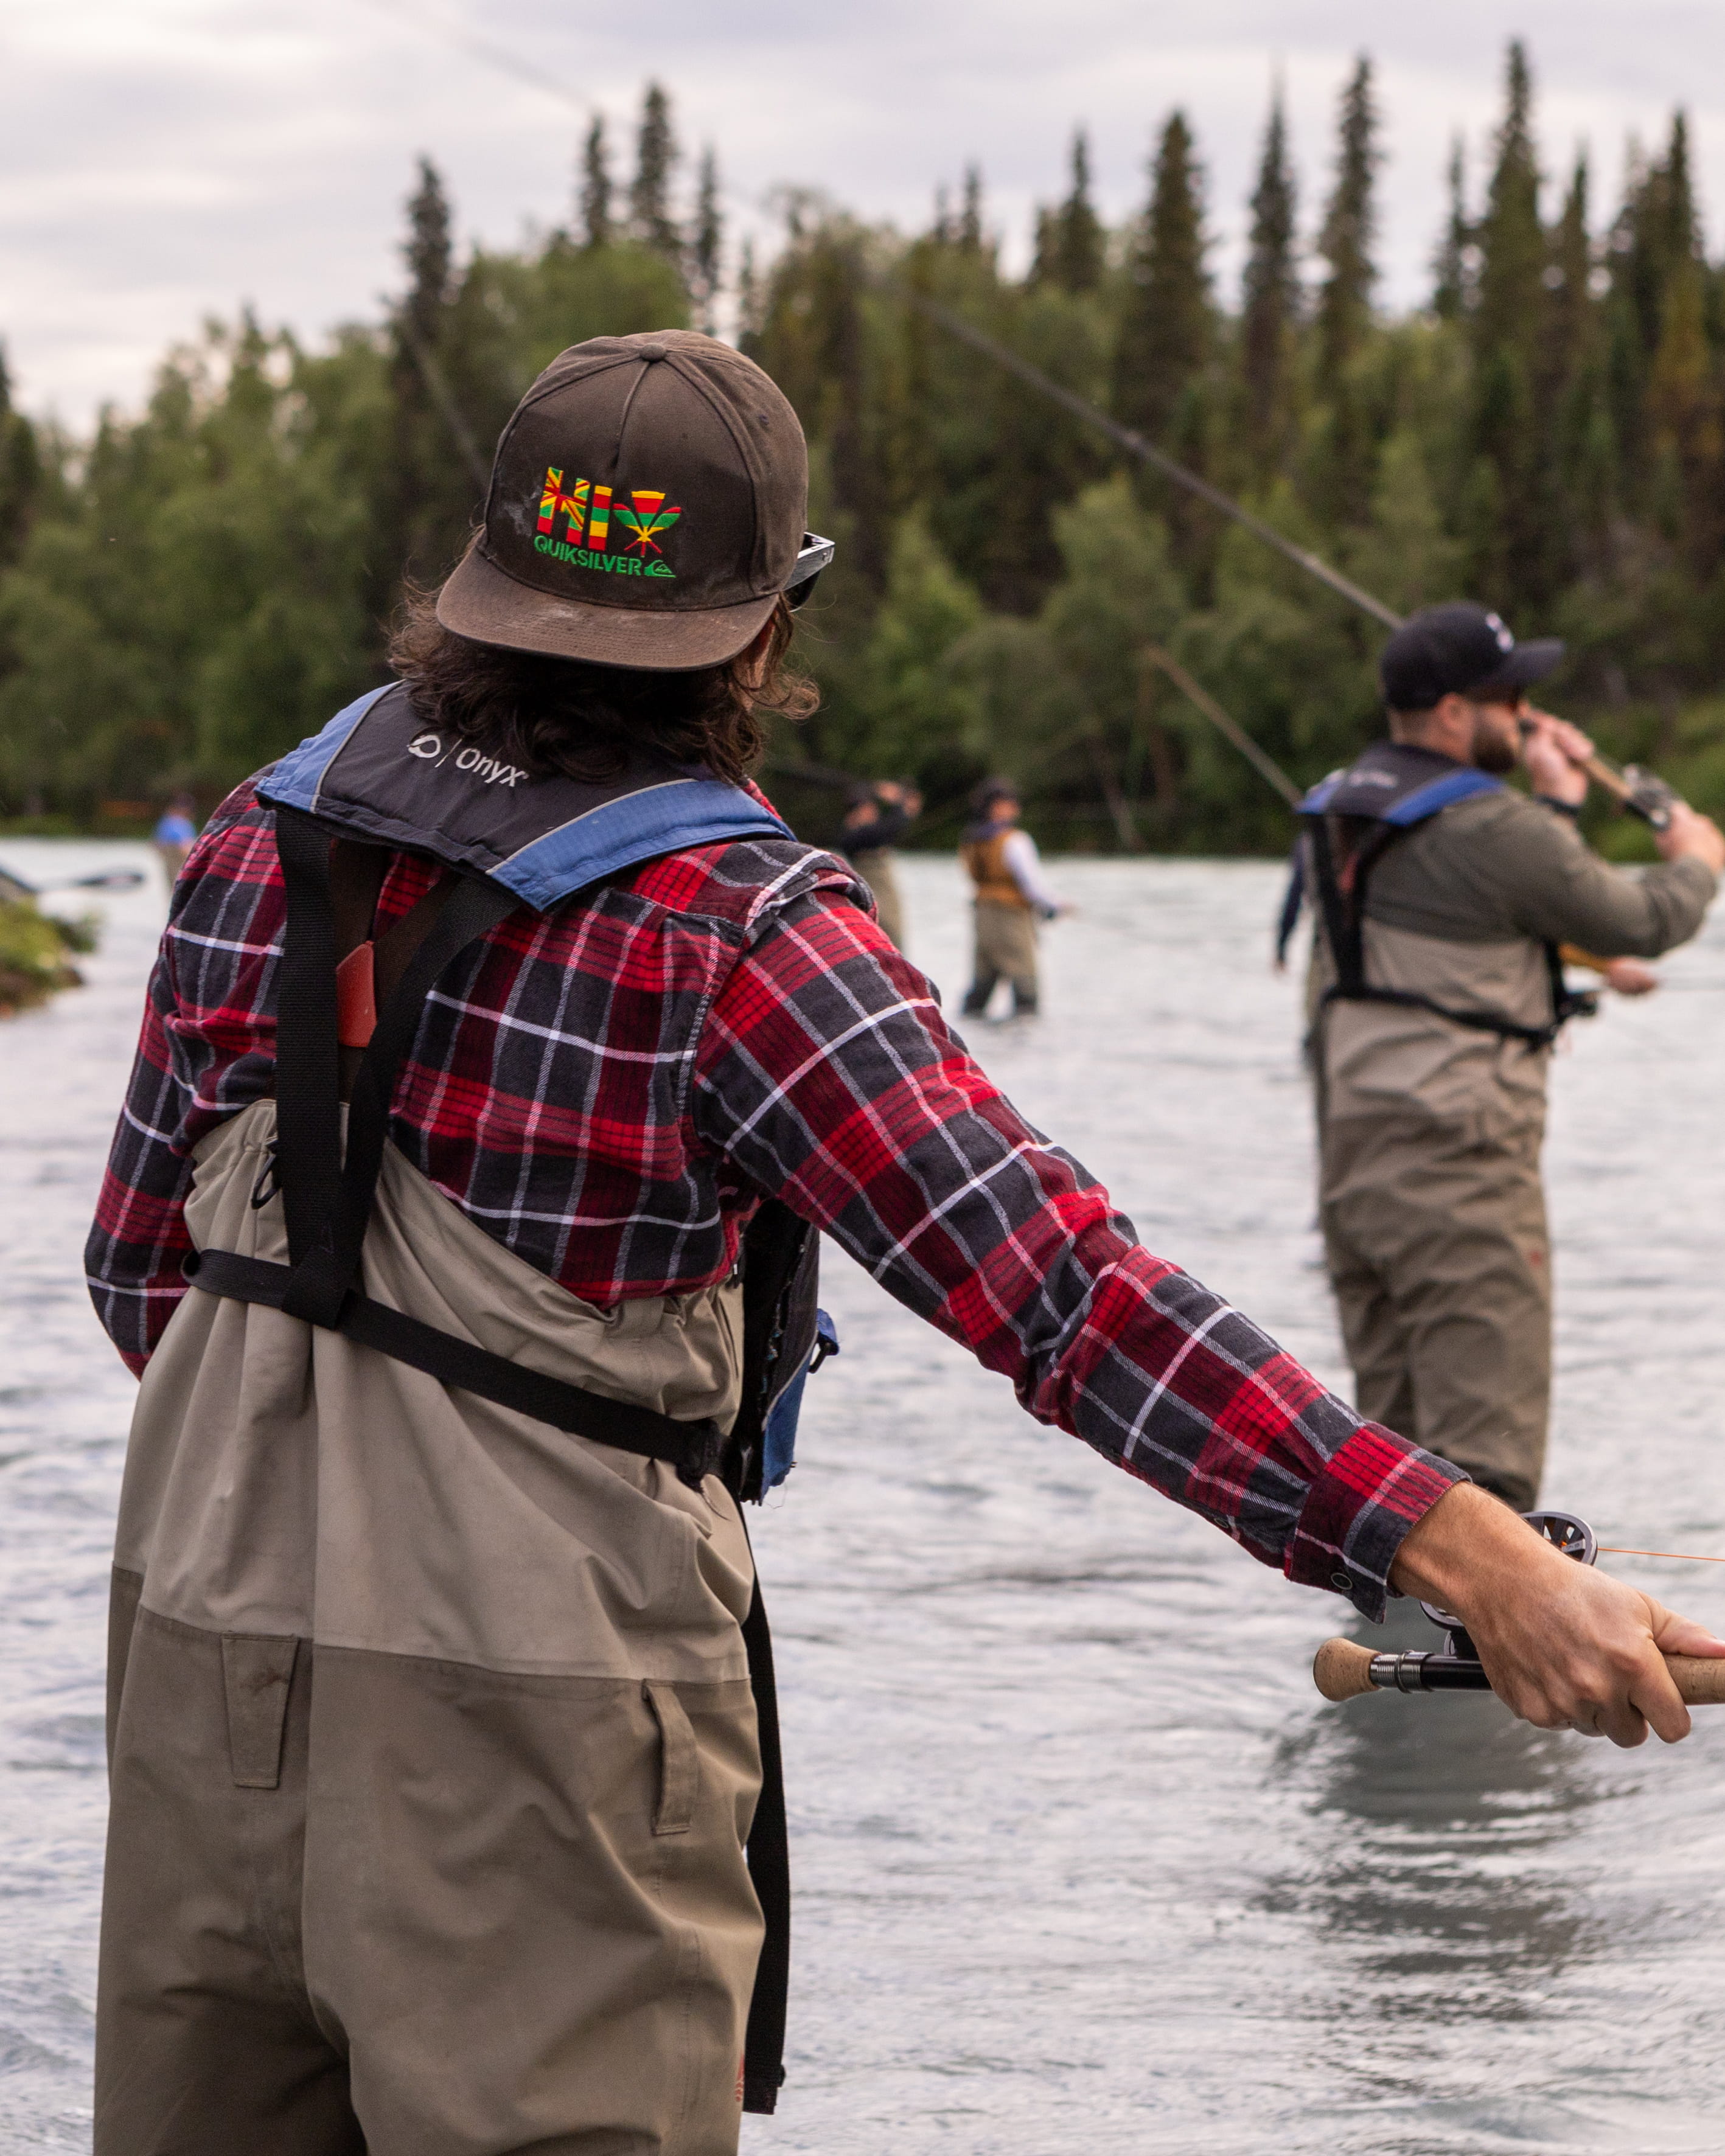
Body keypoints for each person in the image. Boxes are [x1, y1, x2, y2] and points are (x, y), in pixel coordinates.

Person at [85, 342, 1722, 2156]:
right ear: (766, 631)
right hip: (530, 1743)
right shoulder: (747, 928)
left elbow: (137, 1278)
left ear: (478, 583)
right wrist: (1488, 1558)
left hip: (192, 1665)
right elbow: (1071, 1300)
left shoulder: (253, 834)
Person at [1298, 601, 1724, 1512]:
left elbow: (1470, 917)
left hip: (1352, 1171)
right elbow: (1639, 919)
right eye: (1508, 697)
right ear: (1453, 712)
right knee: (1480, 1481)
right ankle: (1472, 1656)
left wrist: (1555, 799)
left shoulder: (1342, 808)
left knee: (1394, 1478)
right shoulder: (1496, 828)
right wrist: (1693, 855)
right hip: (1460, 1174)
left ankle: (1389, 1654)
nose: (1524, 713)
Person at [959, 778, 1065, 1017]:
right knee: (1025, 985)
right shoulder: (1015, 840)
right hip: (1011, 918)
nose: (1016, 809)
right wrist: (1055, 906)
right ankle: (1025, 1047)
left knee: (981, 986)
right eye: (1011, 803)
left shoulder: (972, 839)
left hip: (983, 917)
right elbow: (1032, 885)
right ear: (997, 807)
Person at [837, 777, 921, 949]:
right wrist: (900, 803)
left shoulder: (864, 834)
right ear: (855, 812)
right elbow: (889, 828)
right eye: (868, 808)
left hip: (883, 901)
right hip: (875, 905)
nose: (873, 812)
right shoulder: (854, 835)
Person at [152, 792, 199, 885]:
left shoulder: (165, 821)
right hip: (176, 868)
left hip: (163, 867)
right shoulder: (179, 823)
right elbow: (185, 849)